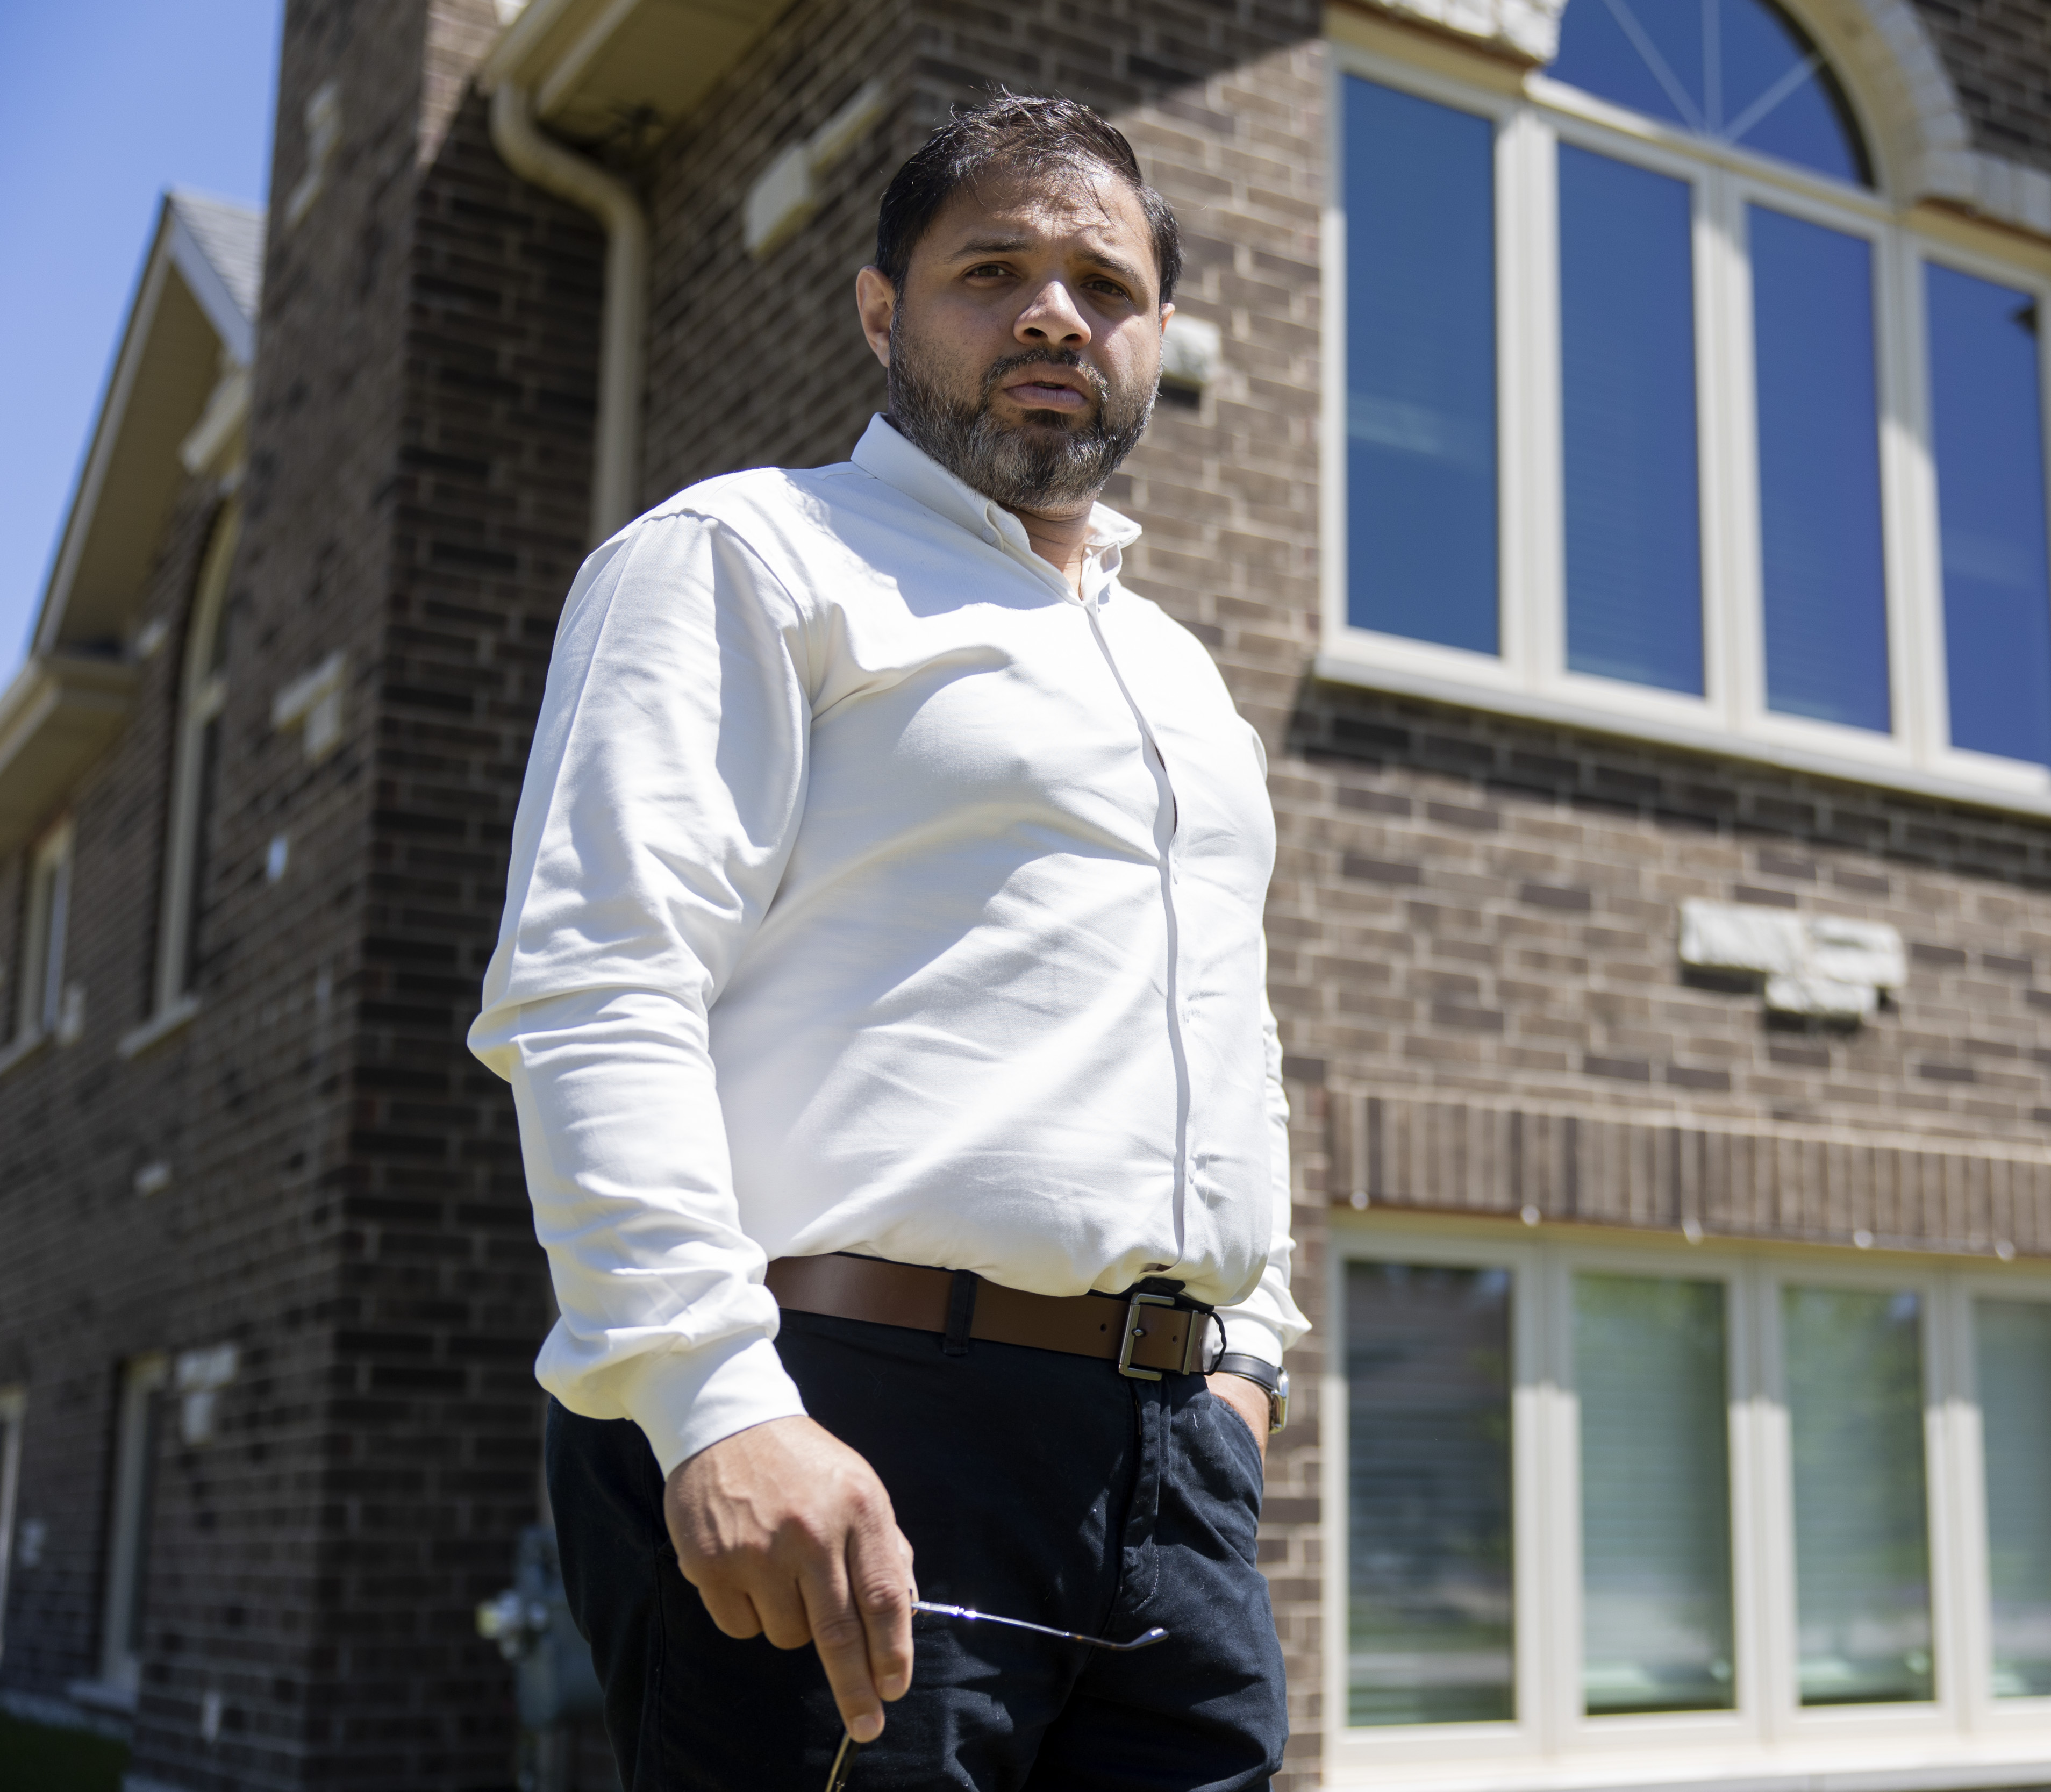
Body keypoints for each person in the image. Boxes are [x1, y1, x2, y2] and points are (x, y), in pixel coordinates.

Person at [467, 92, 1303, 1790]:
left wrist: (1252, 1367)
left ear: (1156, 334)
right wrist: (719, 1400)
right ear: (880, 312)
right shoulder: (744, 556)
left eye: (1105, 284)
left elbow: (1234, 1033)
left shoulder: (1186, 683)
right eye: (992, 270)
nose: (1055, 313)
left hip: (1173, 1473)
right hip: (838, 1422)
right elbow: (597, 986)